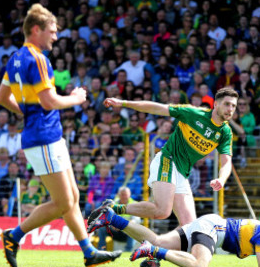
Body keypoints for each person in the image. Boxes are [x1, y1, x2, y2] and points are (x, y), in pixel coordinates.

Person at [0, 3, 121, 267]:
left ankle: (89, 252)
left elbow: (1, 97)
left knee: (73, 197)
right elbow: (50, 101)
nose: (55, 36)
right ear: (36, 29)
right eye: (52, 31)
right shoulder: (38, 59)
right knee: (64, 202)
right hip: (43, 138)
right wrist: (75, 98)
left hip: (46, 136)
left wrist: (26, 113)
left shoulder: (15, 57)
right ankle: (13, 235)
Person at [88, 87, 238, 228]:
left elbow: (226, 162)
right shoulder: (193, 113)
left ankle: (159, 252)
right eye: (227, 104)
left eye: (233, 106)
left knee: (190, 227)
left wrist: (221, 179)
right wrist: (124, 103)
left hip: (182, 172)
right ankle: (112, 208)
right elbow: (157, 107)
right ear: (216, 104)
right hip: (168, 160)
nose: (230, 109)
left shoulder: (225, 132)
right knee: (162, 211)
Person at [88, 208, 260, 267]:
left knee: (158, 239)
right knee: (200, 265)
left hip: (210, 224)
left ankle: (112, 218)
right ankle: (153, 252)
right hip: (213, 228)